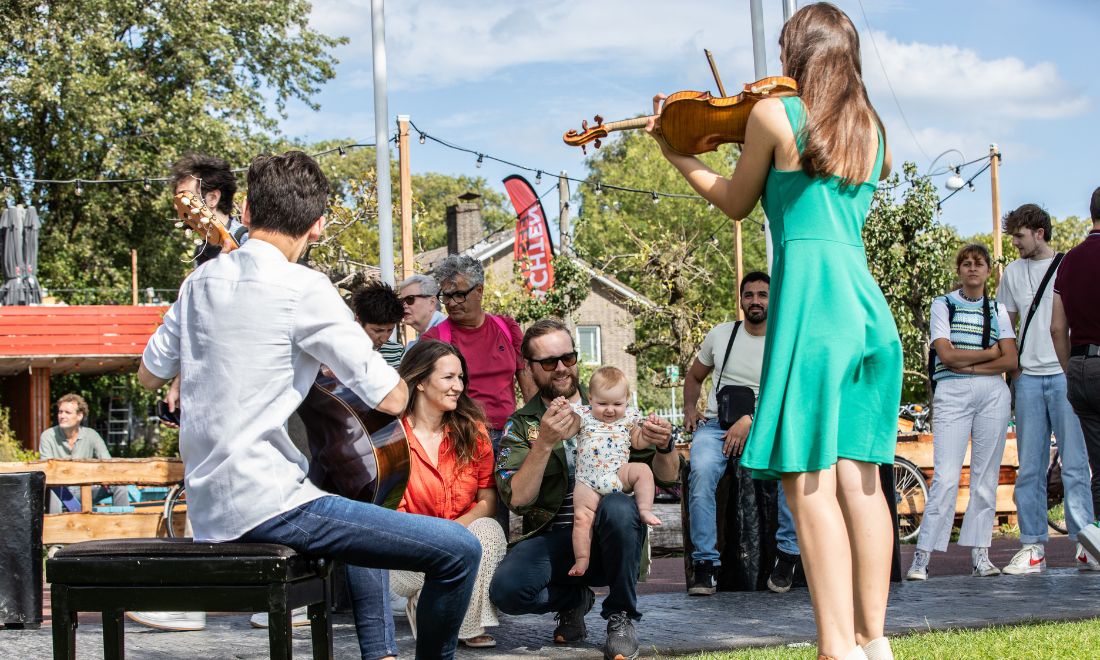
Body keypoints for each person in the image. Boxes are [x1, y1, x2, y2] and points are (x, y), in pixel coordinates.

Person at [137, 150, 480, 660]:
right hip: (270, 505)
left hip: (208, 508)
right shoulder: (304, 288)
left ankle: (377, 650)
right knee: (459, 550)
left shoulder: (196, 284)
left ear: (247, 209)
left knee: (359, 511)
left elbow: (148, 374)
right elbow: (392, 396)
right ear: (317, 225)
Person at [648, 5, 901, 658]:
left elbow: (736, 201)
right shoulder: (870, 130)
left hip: (814, 308)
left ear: (796, 54)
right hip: (867, 310)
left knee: (806, 477)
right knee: (863, 480)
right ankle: (874, 643)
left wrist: (673, 149)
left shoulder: (772, 116)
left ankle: (834, 646)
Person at [489, 319, 676, 660]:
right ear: (529, 369)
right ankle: (574, 599)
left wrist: (665, 445)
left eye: (568, 358)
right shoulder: (521, 425)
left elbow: (667, 477)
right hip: (557, 538)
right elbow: (517, 500)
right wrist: (544, 443)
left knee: (619, 506)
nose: (561, 368)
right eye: (548, 362)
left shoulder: (612, 405)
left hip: (613, 537)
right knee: (507, 592)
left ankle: (620, 617)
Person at [681, 272, 801, 595]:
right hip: (718, 426)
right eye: (749, 295)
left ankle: (788, 554)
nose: (756, 301)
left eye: (763, 295)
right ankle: (706, 565)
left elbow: (792, 394)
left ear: (772, 300)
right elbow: (694, 377)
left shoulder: (783, 340)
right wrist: (690, 410)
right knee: (701, 471)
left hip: (768, 426)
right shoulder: (721, 335)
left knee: (791, 466)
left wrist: (751, 419)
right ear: (741, 300)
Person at [906, 245, 1017, 580]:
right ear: (959, 270)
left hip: (992, 394)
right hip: (952, 392)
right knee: (946, 476)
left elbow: (1011, 359)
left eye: (979, 264)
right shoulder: (944, 304)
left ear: (987, 271)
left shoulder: (998, 309)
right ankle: (922, 557)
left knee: (986, 476)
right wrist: (988, 354)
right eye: (966, 264)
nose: (972, 269)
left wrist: (969, 363)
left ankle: (980, 556)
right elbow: (946, 355)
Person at [996, 203, 1096, 574]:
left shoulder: (1068, 265)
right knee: (1030, 469)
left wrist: (1072, 369)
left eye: (1020, 236)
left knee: (1074, 466)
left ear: (1039, 232)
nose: (1016, 244)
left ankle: (1085, 543)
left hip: (1063, 374)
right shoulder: (1011, 274)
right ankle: (1033, 546)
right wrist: (1010, 369)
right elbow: (1005, 325)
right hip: (1029, 381)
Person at [388, 340, 507, 649]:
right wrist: (436, 539)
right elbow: (391, 515)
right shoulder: (392, 437)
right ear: (421, 382)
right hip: (408, 551)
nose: (459, 386)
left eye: (461, 377)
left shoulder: (473, 430)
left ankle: (463, 625)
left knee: (489, 531)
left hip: (459, 540)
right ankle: (429, 606)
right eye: (448, 377)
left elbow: (488, 501)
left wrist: (452, 532)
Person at [421, 254, 538, 534]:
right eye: (445, 295)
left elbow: (526, 381)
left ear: (480, 291)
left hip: (510, 434)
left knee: (521, 505)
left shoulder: (506, 329)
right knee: (475, 511)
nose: (450, 303)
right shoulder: (435, 339)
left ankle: (507, 569)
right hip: (463, 435)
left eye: (459, 294)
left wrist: (537, 431)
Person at [559, 366, 663, 578]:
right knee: (581, 519)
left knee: (643, 470)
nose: (610, 410)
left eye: (617, 404)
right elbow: (567, 431)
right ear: (590, 398)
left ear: (627, 400)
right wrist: (563, 411)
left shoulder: (628, 419)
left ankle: (643, 509)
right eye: (602, 403)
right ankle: (582, 559)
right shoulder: (584, 416)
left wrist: (649, 430)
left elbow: (639, 442)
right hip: (588, 481)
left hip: (618, 473)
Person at [1051, 187, 1100, 564]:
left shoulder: (1067, 262)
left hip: (1081, 369)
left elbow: (1056, 327)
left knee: (1097, 467)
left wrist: (1071, 370)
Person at [39, 393, 129, 513]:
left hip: (88, 490)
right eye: (60, 412)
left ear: (80, 416)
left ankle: (123, 525)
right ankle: (55, 529)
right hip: (60, 492)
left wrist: (106, 478)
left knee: (120, 486)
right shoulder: (48, 436)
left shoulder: (91, 435)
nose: (62, 416)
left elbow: (108, 463)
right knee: (54, 487)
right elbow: (46, 471)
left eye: (67, 412)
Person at [169, 153, 249, 264]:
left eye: (184, 196)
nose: (176, 205)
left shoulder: (245, 242)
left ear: (212, 198)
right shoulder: (202, 249)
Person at [352, 280, 406, 367]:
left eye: (390, 330)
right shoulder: (342, 350)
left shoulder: (397, 351)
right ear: (358, 321)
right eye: (378, 331)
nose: (384, 339)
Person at [398, 273, 446, 348]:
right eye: (401, 301)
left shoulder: (449, 332)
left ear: (432, 302)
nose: (404, 305)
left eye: (410, 299)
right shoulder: (415, 344)